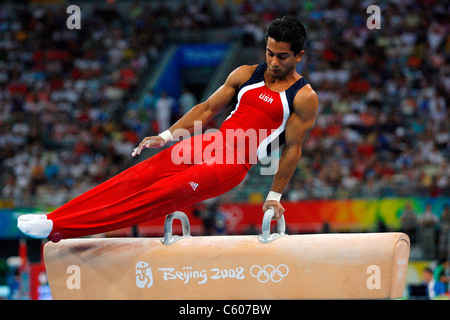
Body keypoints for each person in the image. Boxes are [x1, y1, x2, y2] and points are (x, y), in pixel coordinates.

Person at [17, 16, 319, 242]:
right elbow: (206, 109)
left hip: (232, 163)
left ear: (299, 56)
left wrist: (274, 196)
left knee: (160, 193)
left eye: (282, 56)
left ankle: (62, 229)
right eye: (269, 52)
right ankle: (54, 218)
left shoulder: (303, 96)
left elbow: (293, 148)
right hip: (209, 142)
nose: (273, 61)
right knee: (137, 176)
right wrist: (165, 136)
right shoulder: (246, 74)